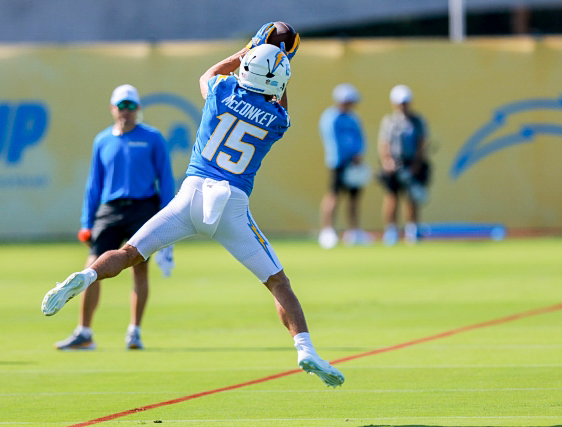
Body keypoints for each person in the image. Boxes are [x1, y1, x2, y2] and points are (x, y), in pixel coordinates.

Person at [42, 27, 344, 387]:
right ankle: (305, 349)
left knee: (126, 255)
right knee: (278, 283)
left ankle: (88, 275)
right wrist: (280, 63)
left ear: (245, 69)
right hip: (230, 203)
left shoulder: (222, 90)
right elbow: (280, 101)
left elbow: (209, 74)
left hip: (190, 195)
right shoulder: (276, 119)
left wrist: (248, 49)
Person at [54, 84, 175, 350]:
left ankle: (135, 331)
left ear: (138, 108)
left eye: (131, 106)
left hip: (143, 208)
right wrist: (87, 222)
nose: (126, 111)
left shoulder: (153, 138)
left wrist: (169, 219)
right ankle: (84, 332)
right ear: (112, 108)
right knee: (91, 269)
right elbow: (93, 184)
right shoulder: (103, 140)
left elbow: (165, 180)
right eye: (122, 106)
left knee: (139, 269)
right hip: (109, 210)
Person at [318, 83, 371, 249]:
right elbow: (334, 141)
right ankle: (327, 232)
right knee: (333, 196)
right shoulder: (331, 117)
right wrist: (348, 157)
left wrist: (359, 155)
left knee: (354, 199)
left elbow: (360, 138)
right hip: (339, 163)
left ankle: (353, 232)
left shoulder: (353, 118)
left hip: (354, 164)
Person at [377, 84, 430, 245]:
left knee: (411, 197)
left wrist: (416, 164)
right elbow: (383, 143)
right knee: (391, 197)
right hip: (393, 165)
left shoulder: (417, 121)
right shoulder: (389, 121)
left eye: (405, 102)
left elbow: (422, 143)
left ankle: (412, 230)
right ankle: (391, 231)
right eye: (400, 103)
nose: (403, 106)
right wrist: (387, 161)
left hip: (411, 164)